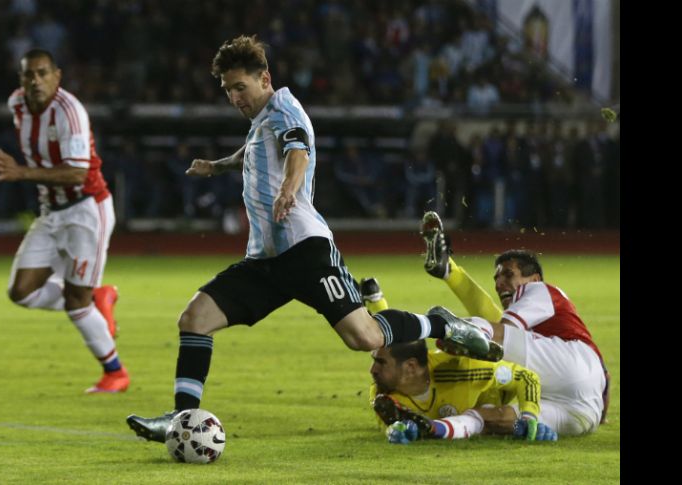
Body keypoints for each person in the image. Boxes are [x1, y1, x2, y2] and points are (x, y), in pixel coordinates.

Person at [126, 35, 495, 442]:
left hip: (306, 250)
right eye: (228, 90)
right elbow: (252, 153)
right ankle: (181, 420)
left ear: (264, 78)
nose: (234, 97)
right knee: (194, 319)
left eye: (240, 88)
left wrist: (289, 187)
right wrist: (215, 166)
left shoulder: (284, 109)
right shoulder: (261, 123)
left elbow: (296, 150)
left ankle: (439, 324)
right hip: (265, 260)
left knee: (366, 337)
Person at [371, 211, 608, 436]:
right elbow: (603, 374)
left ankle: (426, 325)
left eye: (508, 274)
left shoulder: (541, 290)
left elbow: (500, 328)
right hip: (585, 412)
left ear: (533, 278)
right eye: (496, 277)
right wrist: (603, 413)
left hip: (571, 365)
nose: (498, 283)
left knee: (485, 330)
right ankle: (433, 429)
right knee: (488, 419)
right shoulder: (541, 328)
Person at [0, 49, 128, 393]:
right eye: (28, 74)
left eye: (42, 73)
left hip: (85, 211)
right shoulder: (17, 104)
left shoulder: (69, 113)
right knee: (21, 292)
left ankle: (115, 373)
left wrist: (21, 173)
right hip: (51, 213)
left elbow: (77, 173)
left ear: (57, 76)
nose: (35, 80)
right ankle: (98, 298)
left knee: (75, 305)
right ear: (20, 79)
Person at [370, 339, 558, 443]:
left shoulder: (462, 369)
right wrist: (395, 431)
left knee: (499, 421)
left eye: (381, 363)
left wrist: (529, 418)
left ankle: (435, 428)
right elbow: (391, 424)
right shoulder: (383, 392)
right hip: (470, 424)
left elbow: (526, 377)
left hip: (494, 407)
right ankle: (435, 428)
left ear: (411, 367)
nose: (373, 370)